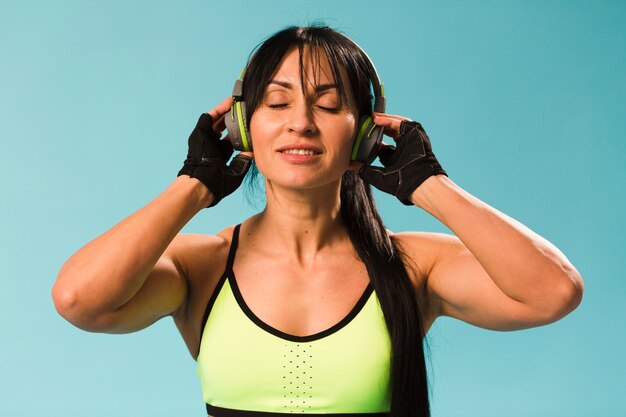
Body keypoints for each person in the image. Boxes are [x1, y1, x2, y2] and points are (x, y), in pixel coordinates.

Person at [52, 25, 584, 417]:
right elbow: (79, 299)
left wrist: (428, 185)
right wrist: (192, 185)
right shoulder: (204, 266)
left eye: (328, 106)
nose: (301, 123)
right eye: (277, 103)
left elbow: (552, 292)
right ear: (241, 126)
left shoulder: (413, 266)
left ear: (364, 133)